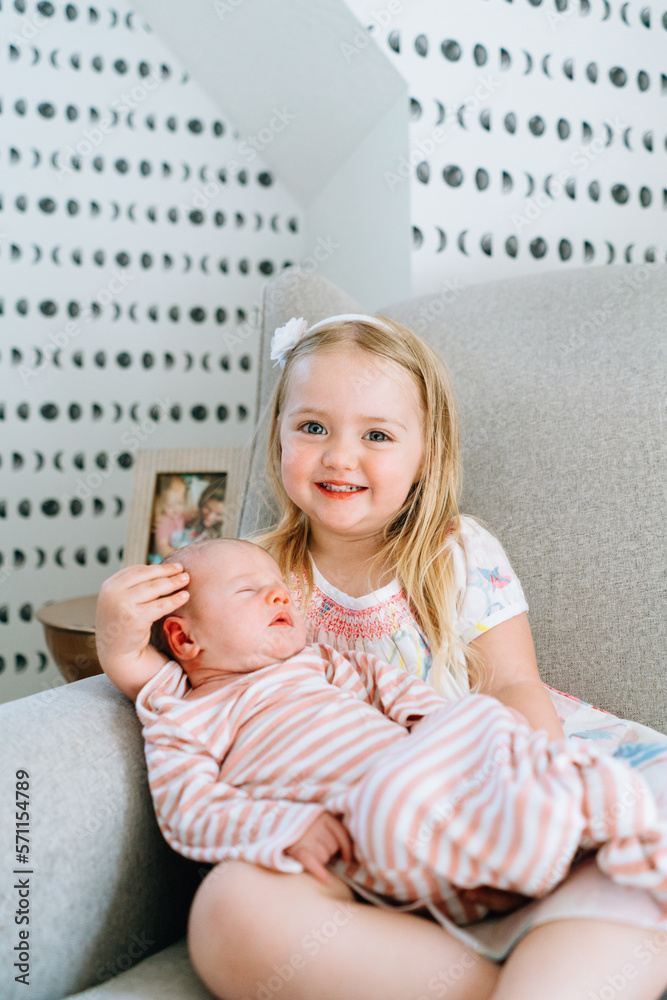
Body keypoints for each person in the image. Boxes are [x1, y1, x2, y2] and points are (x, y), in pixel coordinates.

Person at [96, 313, 667, 1000]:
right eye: (312, 428)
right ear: (276, 436)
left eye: (375, 435)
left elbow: (514, 684)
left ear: (425, 453)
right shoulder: (253, 574)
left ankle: (555, 936)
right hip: (353, 831)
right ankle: (476, 975)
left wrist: (532, 778)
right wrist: (118, 641)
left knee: (626, 841)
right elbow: (183, 692)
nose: (340, 457)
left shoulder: (456, 552)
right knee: (228, 909)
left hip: (480, 777)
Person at [101, 536, 667, 929]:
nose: (279, 595)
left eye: (278, 585)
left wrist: (444, 729)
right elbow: (189, 808)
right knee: (394, 804)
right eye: (249, 592)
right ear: (185, 639)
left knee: (481, 717)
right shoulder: (182, 713)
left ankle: (619, 818)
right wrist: (288, 825)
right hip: (366, 815)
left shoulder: (320, 662)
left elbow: (397, 691)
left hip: (433, 769)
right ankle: (522, 871)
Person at [149, 474, 188, 562]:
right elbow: (161, 546)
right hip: (163, 559)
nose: (176, 509)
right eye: (170, 505)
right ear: (161, 504)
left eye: (180, 503)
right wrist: (179, 559)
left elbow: (188, 516)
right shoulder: (164, 522)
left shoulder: (180, 515)